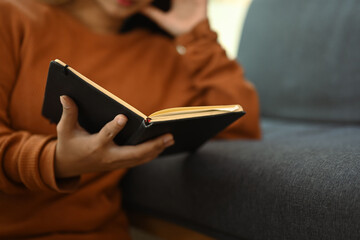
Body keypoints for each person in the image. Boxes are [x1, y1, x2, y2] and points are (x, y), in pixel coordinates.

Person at [0, 0, 261, 239]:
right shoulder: (12, 17)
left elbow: (240, 127)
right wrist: (57, 161)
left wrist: (198, 33)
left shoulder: (162, 57)